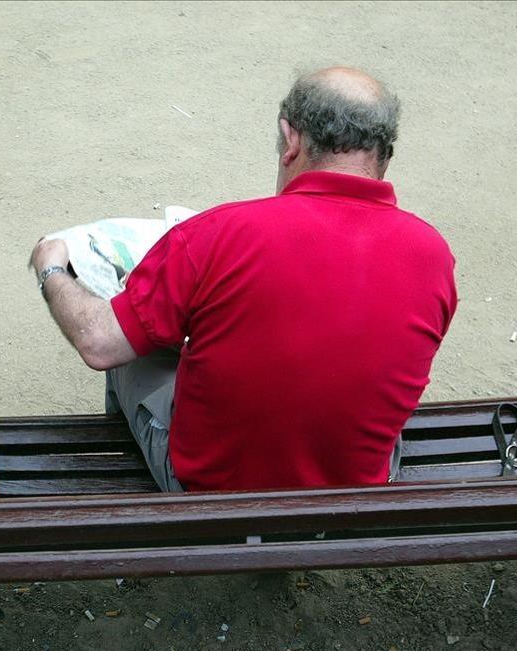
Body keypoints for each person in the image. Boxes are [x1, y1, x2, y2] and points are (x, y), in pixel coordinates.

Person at [29, 67, 457, 492]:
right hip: (351, 498)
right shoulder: (434, 255)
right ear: (384, 154)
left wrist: (52, 268)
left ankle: (134, 477)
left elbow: (98, 342)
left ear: (291, 141)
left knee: (135, 351)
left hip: (217, 493)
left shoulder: (218, 234)